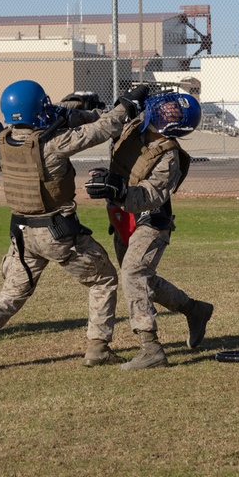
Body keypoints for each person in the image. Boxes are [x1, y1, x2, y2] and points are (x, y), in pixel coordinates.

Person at [0, 80, 146, 370]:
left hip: (21, 233)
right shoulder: (53, 144)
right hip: (56, 231)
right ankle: (98, 349)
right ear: (38, 109)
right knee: (103, 279)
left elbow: (39, 117)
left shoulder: (5, 139)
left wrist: (71, 106)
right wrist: (126, 104)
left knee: (11, 294)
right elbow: (104, 129)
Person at [84, 90, 212, 370]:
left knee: (133, 273)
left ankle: (151, 349)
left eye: (169, 110)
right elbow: (102, 125)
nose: (161, 108)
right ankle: (195, 310)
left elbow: (150, 196)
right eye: (164, 105)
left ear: (174, 124)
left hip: (151, 221)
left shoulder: (170, 157)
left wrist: (116, 190)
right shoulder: (134, 125)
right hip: (121, 216)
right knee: (141, 282)